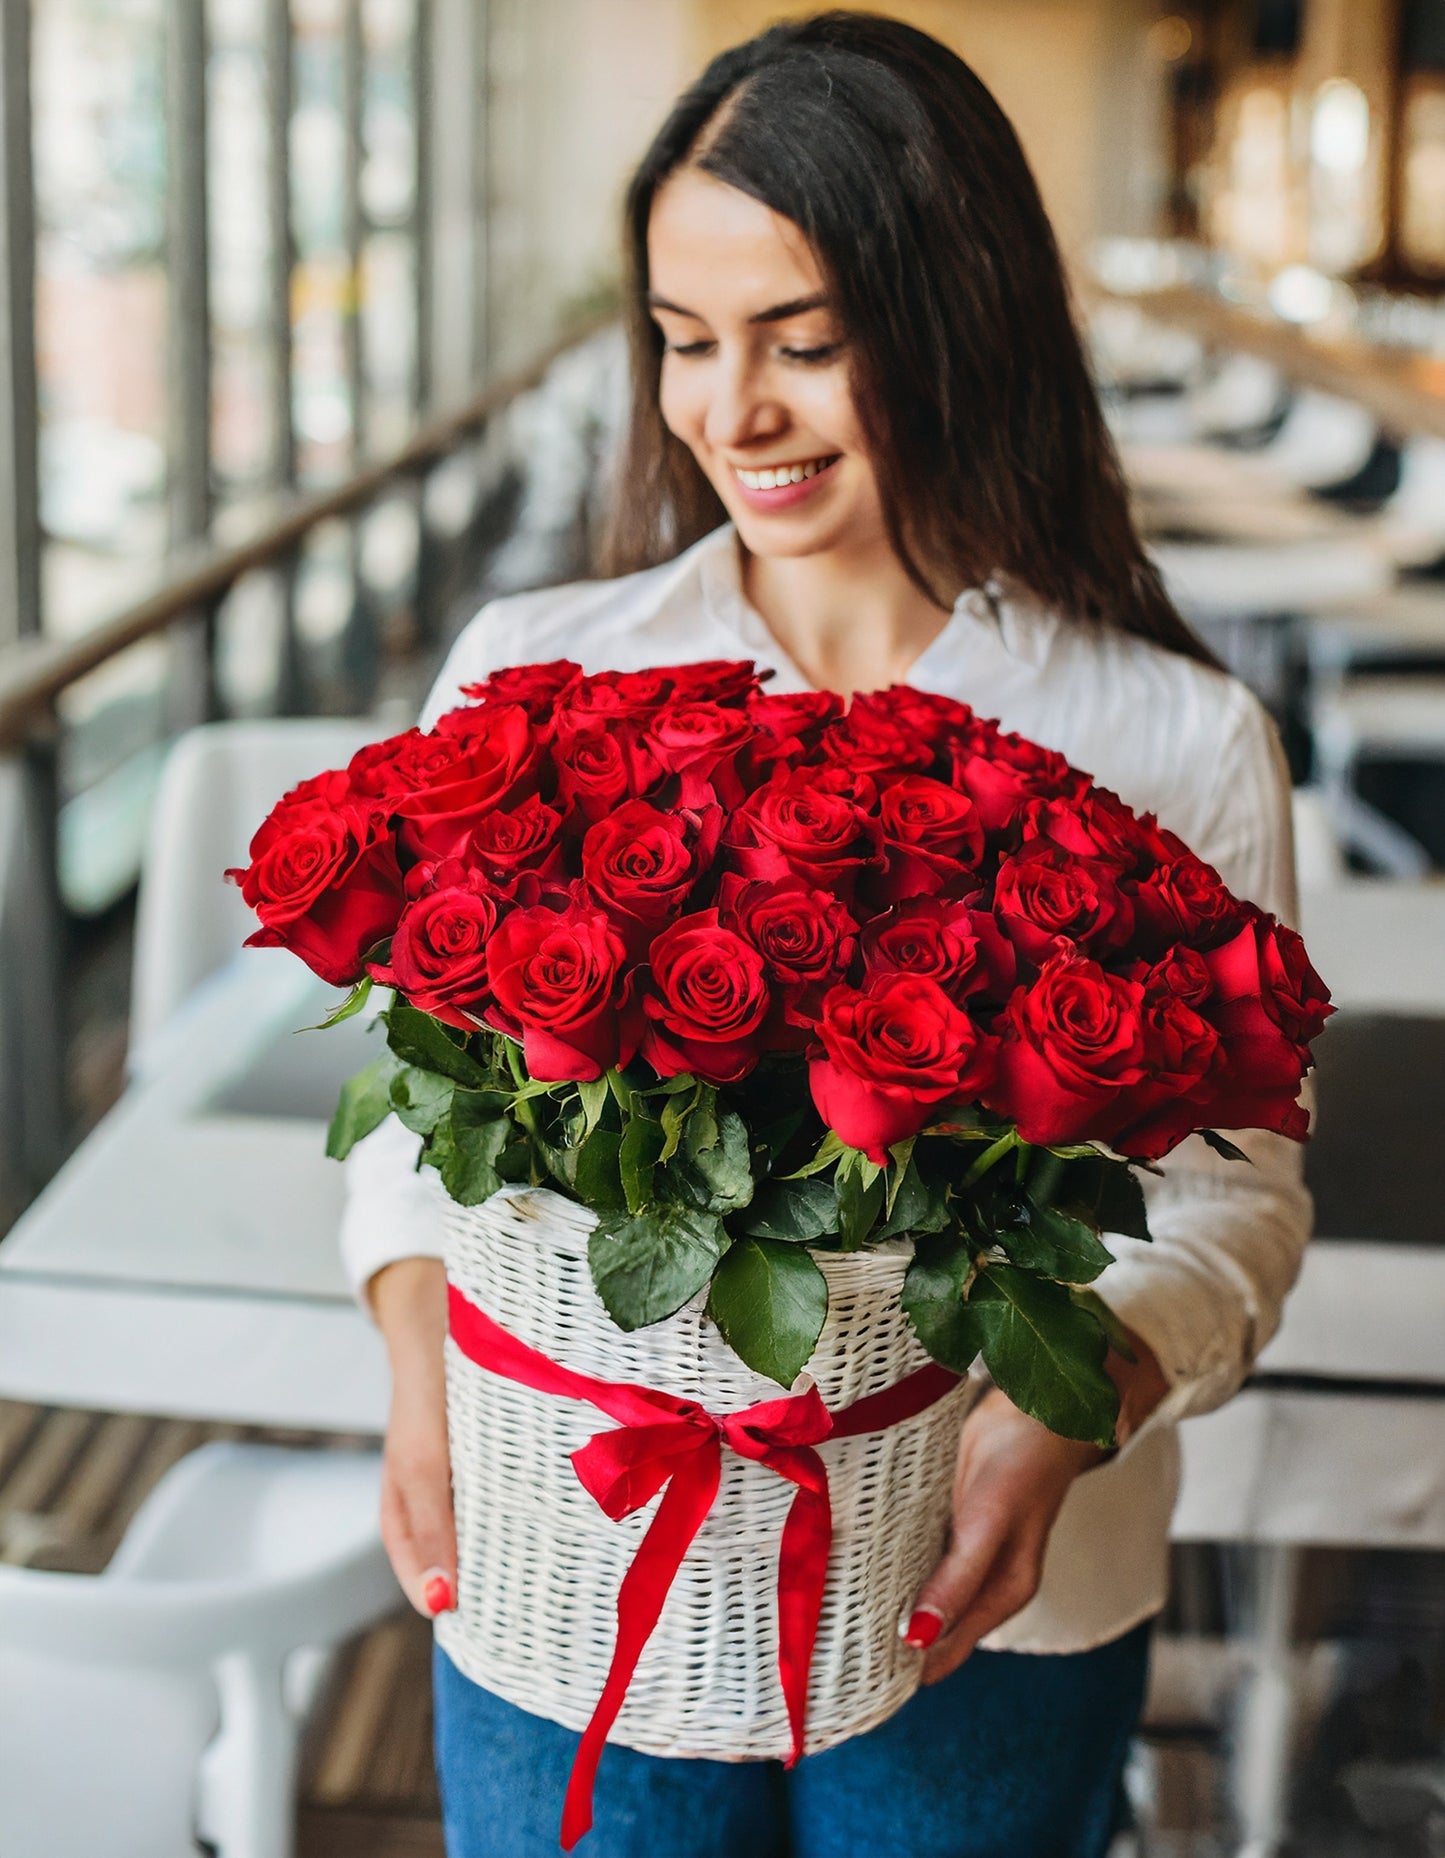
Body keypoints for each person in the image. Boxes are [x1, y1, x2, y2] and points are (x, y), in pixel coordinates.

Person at [341, 14, 1312, 1856]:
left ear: (956, 325)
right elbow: (417, 1131)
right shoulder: (544, 674)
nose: (730, 412)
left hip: (993, 1590)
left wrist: (1070, 1402)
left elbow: (1238, 1195)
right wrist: (421, 1382)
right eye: (685, 342)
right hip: (579, 1542)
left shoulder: (1168, 732)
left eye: (801, 342)